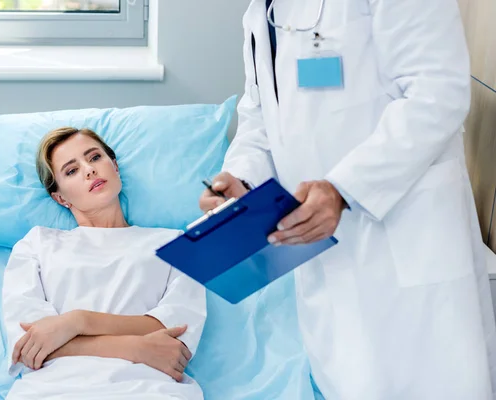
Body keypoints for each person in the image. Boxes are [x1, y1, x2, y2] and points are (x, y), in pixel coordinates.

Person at [200, 0, 496, 399]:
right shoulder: (260, 12)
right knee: (351, 378)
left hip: (408, 239)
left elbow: (439, 93)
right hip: (324, 254)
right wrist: (241, 180)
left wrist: (343, 189)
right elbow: (260, 117)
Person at [2, 127, 207, 400]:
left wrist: (76, 322)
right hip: (52, 389)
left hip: (150, 388)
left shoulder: (175, 244)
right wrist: (136, 348)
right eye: (72, 171)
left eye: (95, 157)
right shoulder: (38, 244)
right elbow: (29, 346)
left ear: (115, 167)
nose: (89, 170)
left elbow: (172, 334)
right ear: (60, 197)